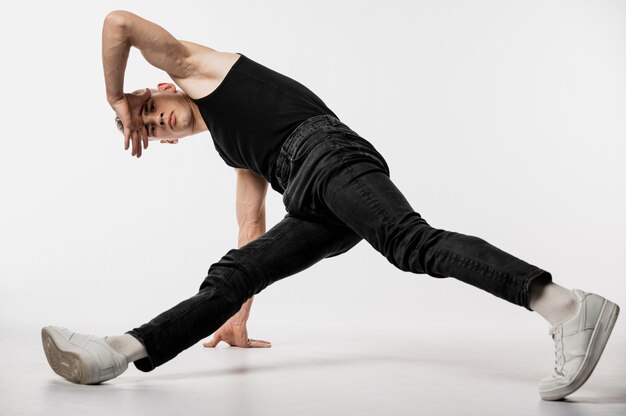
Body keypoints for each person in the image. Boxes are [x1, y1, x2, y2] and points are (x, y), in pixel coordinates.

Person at [41, 10, 619, 401]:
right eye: (146, 126)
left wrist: (116, 95)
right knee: (233, 273)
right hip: (312, 197)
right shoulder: (228, 145)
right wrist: (238, 311)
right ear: (164, 145)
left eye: (147, 108)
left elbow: (118, 22)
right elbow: (251, 227)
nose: (153, 121)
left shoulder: (197, 68)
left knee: (410, 243)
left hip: (328, 156)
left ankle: (567, 307)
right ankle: (116, 352)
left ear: (160, 89)